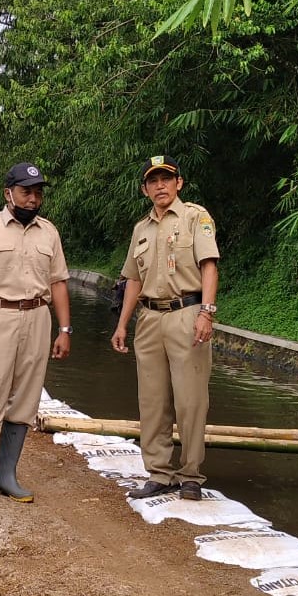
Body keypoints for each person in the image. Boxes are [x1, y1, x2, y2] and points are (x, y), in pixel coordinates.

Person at [0, 162, 72, 510]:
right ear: (9, 193)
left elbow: (58, 282)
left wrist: (64, 329)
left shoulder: (49, 233)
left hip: (37, 317)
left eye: (38, 192)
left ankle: (6, 474)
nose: (33, 198)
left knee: (25, 400)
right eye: (26, 191)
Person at [110, 155, 219, 501]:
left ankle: (190, 474)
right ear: (145, 189)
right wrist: (122, 324)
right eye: (153, 181)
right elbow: (132, 279)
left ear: (179, 184)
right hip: (149, 319)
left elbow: (209, 266)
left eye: (166, 179)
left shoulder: (194, 217)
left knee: (190, 400)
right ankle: (160, 472)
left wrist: (207, 312)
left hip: (186, 314)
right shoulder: (141, 229)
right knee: (152, 400)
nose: (160, 186)